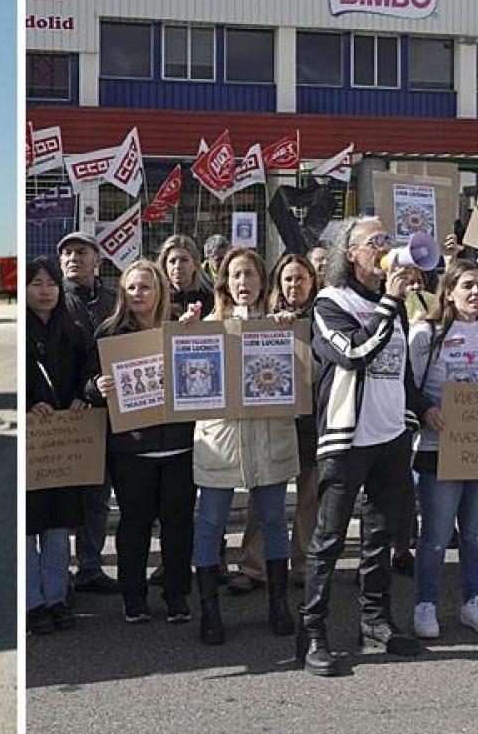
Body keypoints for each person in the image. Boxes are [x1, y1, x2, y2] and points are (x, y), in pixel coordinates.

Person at [300, 217, 431, 676]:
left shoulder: (394, 306)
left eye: (387, 240)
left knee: (381, 537)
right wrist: (392, 301)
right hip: (346, 438)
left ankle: (375, 621)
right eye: (374, 241)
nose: (385, 247)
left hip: (391, 436)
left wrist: (417, 410)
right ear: (350, 254)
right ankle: (313, 632)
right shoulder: (330, 302)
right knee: (330, 539)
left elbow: (401, 369)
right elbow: (354, 353)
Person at [406, 259, 478, 638]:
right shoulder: (426, 333)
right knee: (436, 534)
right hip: (439, 447)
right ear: (449, 292)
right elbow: (406, 385)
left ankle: (473, 601)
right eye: (467, 285)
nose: (475, 293)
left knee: (475, 531)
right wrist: (427, 410)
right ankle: (426, 604)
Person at [192, 248, 299, 644]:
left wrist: (293, 333)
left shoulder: (281, 325)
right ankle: (209, 611)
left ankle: (277, 604)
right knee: (211, 522)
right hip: (220, 441)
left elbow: (306, 380)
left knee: (273, 520)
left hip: (269, 439)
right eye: (235, 275)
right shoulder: (207, 326)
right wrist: (187, 332)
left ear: (262, 280)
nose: (243, 283)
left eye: (250, 275)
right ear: (224, 282)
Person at [91, 259, 195, 623]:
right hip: (131, 449)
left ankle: (177, 595)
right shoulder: (109, 333)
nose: (138, 293)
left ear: (160, 291)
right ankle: (133, 596)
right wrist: (95, 387)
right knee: (134, 524)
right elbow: (90, 382)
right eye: (132, 287)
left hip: (180, 444)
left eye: (145, 286)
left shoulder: (179, 327)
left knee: (178, 524)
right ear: (122, 291)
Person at [235, 253, 320, 590]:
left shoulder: (324, 318)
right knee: (263, 497)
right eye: (288, 279)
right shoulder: (264, 320)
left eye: (301, 278)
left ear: (312, 282)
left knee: (309, 497)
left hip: (312, 421)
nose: (294, 285)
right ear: (278, 283)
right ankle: (252, 567)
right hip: (271, 422)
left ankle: (302, 564)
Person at [26, 258, 98, 634]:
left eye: (51, 284)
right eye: (36, 283)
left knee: (57, 527)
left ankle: (56, 596)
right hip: (32, 443)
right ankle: (31, 602)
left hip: (65, 442)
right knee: (28, 527)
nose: (44, 291)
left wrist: (83, 396)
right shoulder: (19, 333)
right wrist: (26, 403)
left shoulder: (71, 327)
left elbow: (91, 368)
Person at [58, 230, 120, 596]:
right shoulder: (54, 301)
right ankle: (59, 572)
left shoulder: (114, 301)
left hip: (109, 411)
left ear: (97, 258)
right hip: (69, 412)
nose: (72, 258)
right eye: (66, 253)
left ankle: (91, 567)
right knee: (65, 497)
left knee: (98, 496)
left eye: (80, 252)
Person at [158, 234, 214, 321]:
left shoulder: (211, 296)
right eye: (172, 261)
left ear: (195, 264)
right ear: (165, 266)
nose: (178, 266)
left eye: (184, 260)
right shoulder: (157, 297)